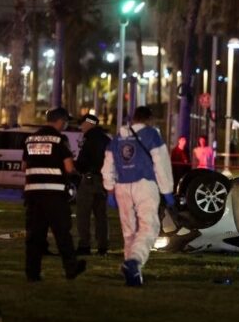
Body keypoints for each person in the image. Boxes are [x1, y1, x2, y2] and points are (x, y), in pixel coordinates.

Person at [102, 106, 174, 287]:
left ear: (133, 119)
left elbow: (108, 164)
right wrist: (167, 191)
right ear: (148, 119)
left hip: (122, 187)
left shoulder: (118, 137)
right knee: (149, 227)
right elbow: (161, 163)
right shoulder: (152, 135)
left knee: (129, 232)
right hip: (145, 185)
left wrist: (109, 188)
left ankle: (132, 273)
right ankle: (134, 261)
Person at [22, 107, 86, 281]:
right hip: (54, 194)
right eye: (65, 121)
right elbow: (69, 167)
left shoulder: (30, 138)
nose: (65, 125)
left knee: (35, 235)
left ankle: (32, 273)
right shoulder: (59, 139)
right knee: (62, 232)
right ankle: (71, 268)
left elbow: (24, 166)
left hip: (33, 194)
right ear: (60, 121)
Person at [75, 113, 111, 256]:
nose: (81, 127)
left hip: (89, 180)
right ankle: (103, 246)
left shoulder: (89, 139)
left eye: (83, 124)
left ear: (89, 123)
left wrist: (78, 167)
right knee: (101, 215)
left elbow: (83, 162)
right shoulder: (106, 139)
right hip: (103, 181)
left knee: (83, 214)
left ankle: (84, 245)